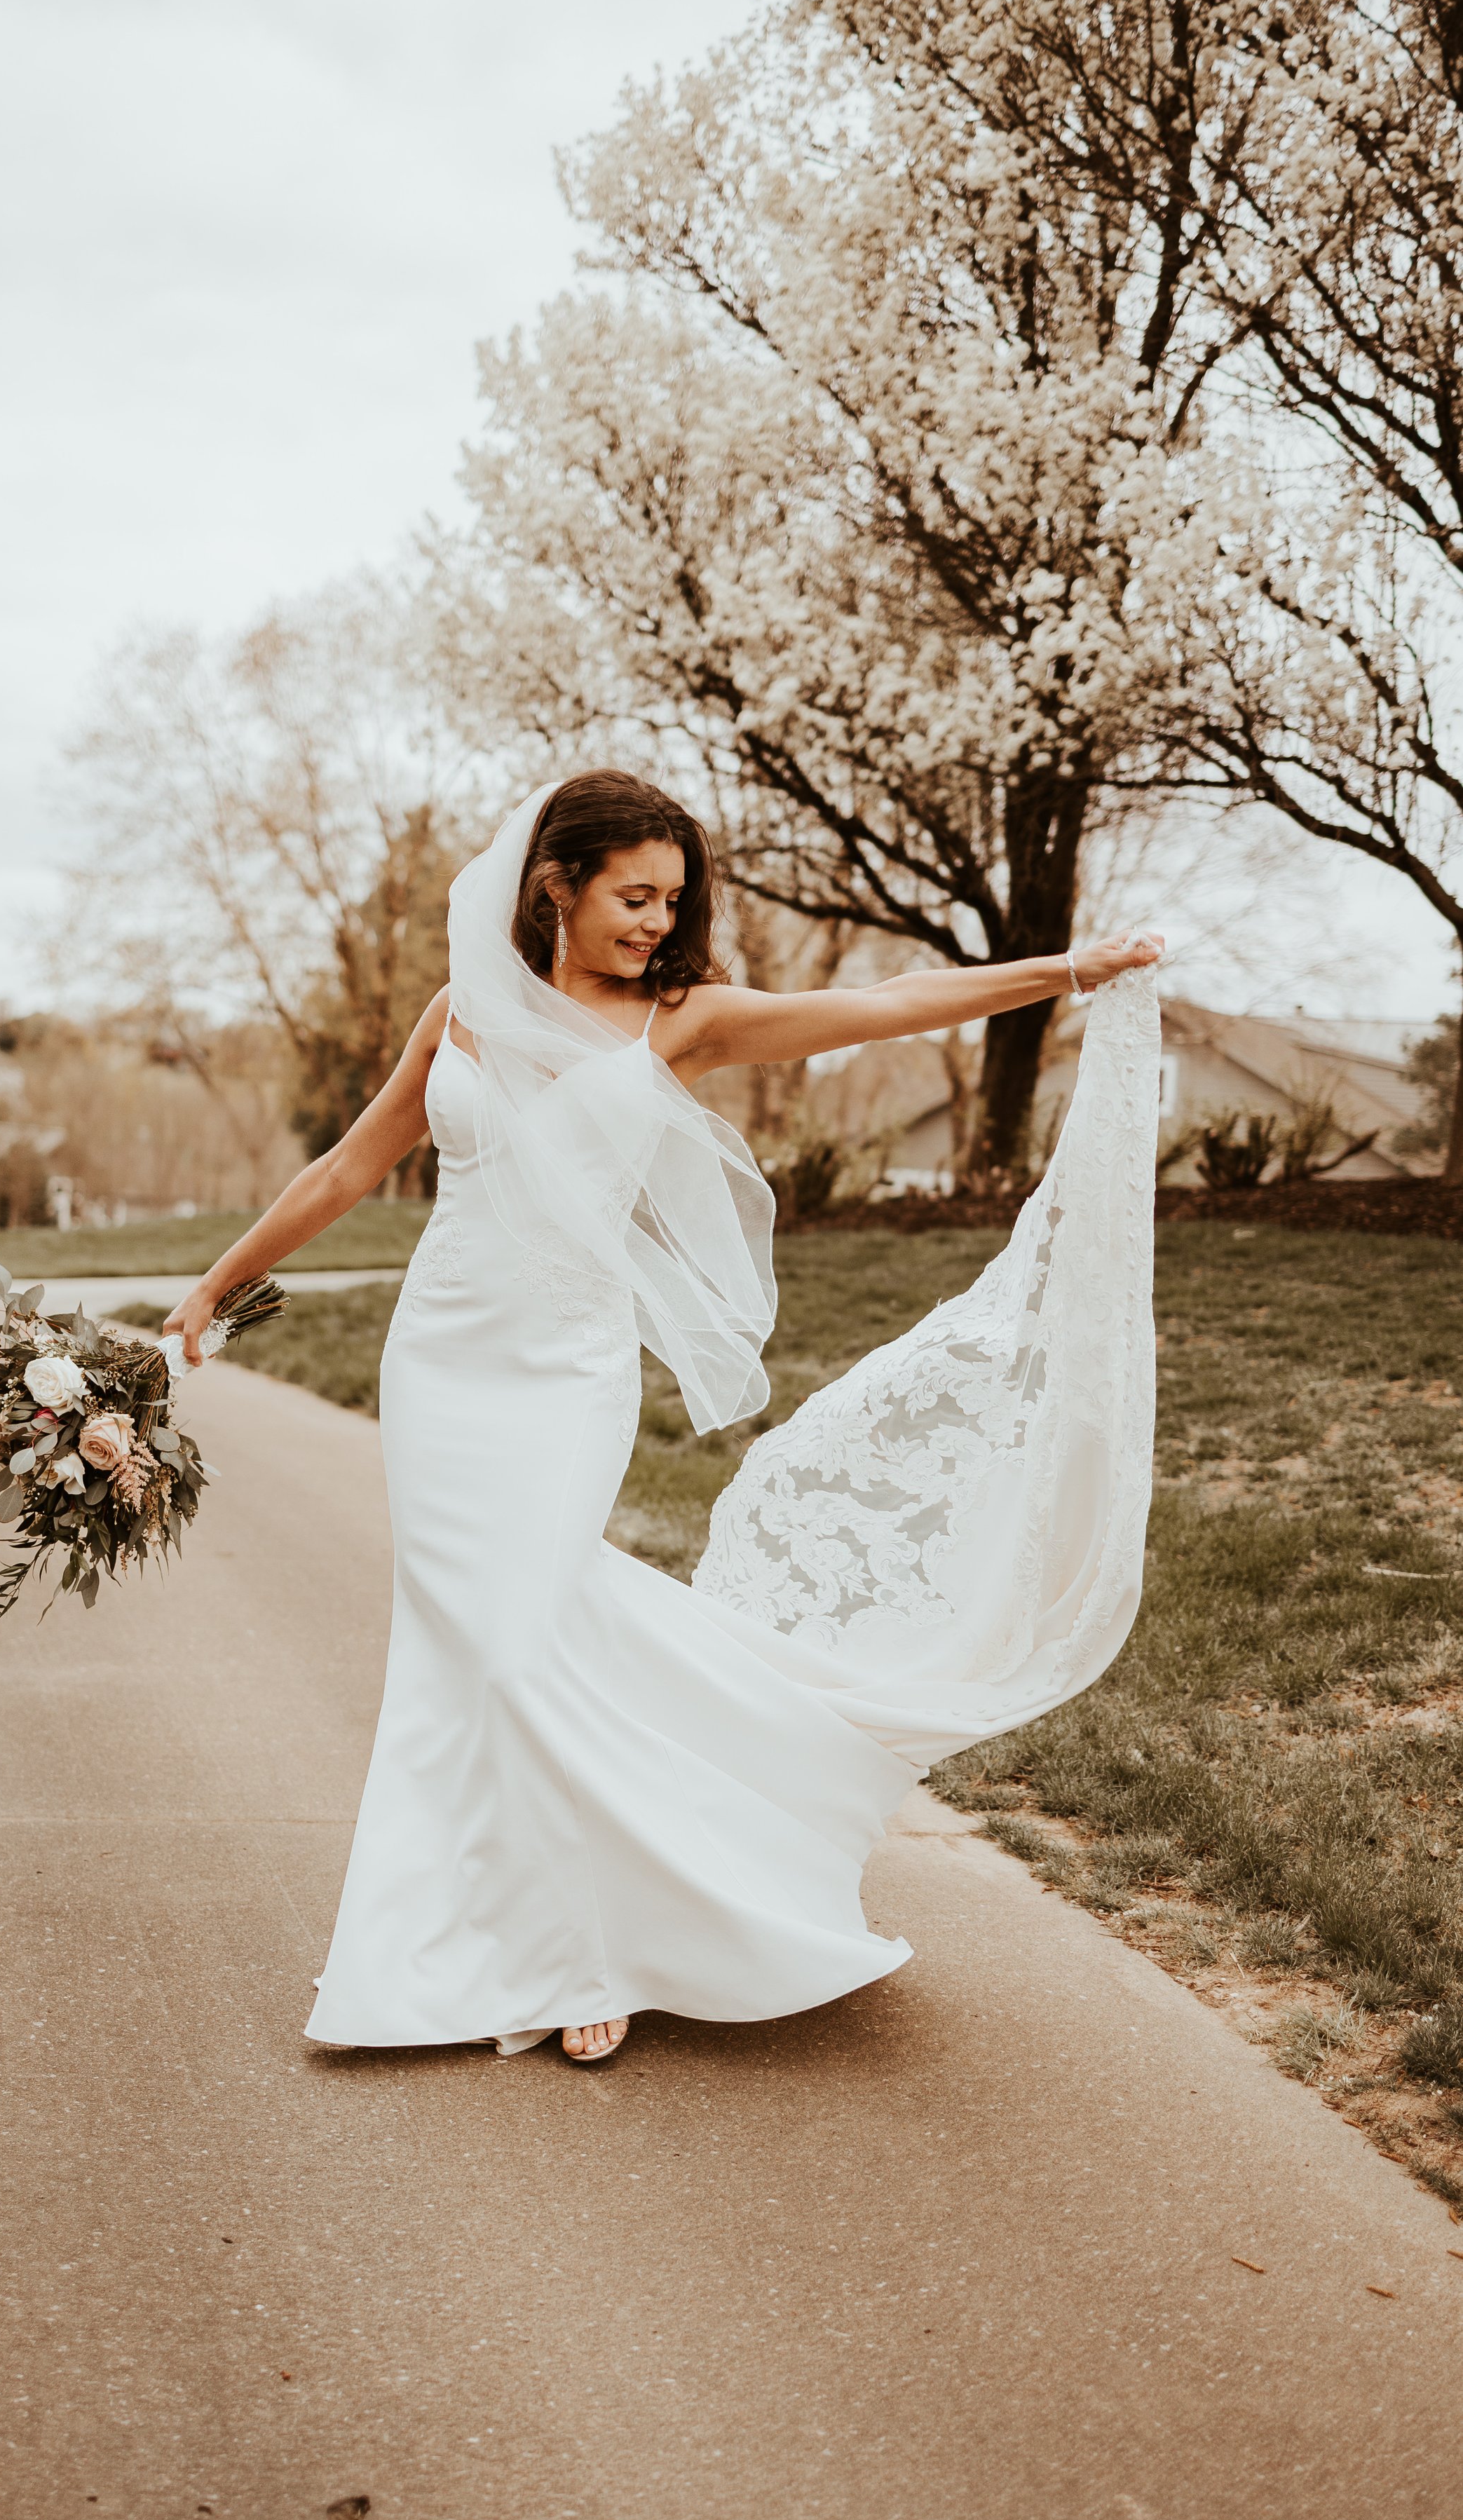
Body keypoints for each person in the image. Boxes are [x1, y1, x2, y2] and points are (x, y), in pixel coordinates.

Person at [166, 772, 1164, 2065]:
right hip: (442, 1365)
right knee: (465, 1656)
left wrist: (1066, 969)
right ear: (555, 889)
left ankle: (602, 1941)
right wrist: (214, 1282)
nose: (656, 921)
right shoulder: (463, 1011)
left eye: (672, 900)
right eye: (634, 896)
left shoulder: (676, 1021)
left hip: (569, 1374)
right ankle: (447, 1933)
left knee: (524, 1641)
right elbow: (351, 1164)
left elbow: (869, 1007)